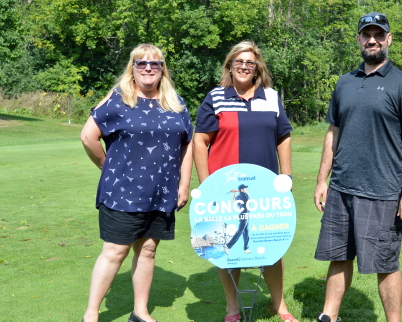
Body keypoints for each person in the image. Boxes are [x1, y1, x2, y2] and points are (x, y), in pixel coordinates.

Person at [313, 12, 402, 322]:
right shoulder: (345, 82)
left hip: (383, 191)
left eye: (379, 34)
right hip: (341, 189)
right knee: (338, 256)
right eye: (366, 34)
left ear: (388, 39)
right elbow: (333, 134)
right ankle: (329, 316)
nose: (372, 39)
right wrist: (323, 180)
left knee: (385, 264)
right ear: (359, 39)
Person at [80, 44, 193, 322]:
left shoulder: (175, 102)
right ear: (132, 67)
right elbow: (88, 136)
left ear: (162, 68)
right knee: (115, 251)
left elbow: (187, 143)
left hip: (162, 192)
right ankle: (91, 315)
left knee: (148, 250)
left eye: (154, 64)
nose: (148, 68)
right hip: (123, 192)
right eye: (141, 63)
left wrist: (184, 184)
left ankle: (140, 312)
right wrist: (106, 166)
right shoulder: (118, 98)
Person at [193, 40, 297, 322]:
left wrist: (286, 176)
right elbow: (200, 141)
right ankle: (232, 309)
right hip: (223, 188)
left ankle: (280, 306)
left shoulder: (272, 97)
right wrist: (206, 185)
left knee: (273, 245)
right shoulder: (215, 97)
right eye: (238, 62)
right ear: (229, 66)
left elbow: (283, 136)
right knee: (222, 246)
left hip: (264, 188)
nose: (243, 66)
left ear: (257, 68)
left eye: (249, 62)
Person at [224, 184, 251, 254]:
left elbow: (234, 200)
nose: (246, 189)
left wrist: (234, 192)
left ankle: (246, 248)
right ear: (242, 190)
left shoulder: (239, 196)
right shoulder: (245, 195)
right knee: (240, 231)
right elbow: (244, 193)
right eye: (245, 188)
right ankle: (228, 246)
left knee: (246, 231)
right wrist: (235, 191)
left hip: (243, 214)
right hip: (244, 214)